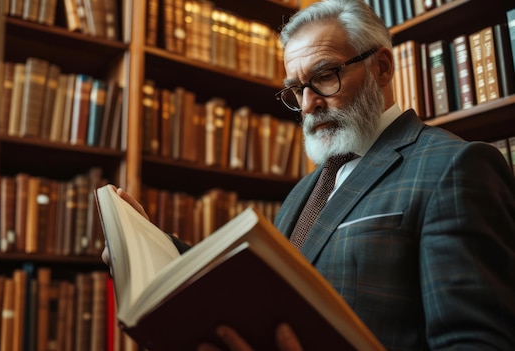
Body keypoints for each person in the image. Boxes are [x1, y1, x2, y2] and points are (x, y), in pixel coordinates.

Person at [105, 0, 515, 349]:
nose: (308, 104)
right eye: (297, 89)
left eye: (324, 76)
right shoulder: (305, 190)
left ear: (383, 68)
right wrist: (152, 248)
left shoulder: (454, 168)